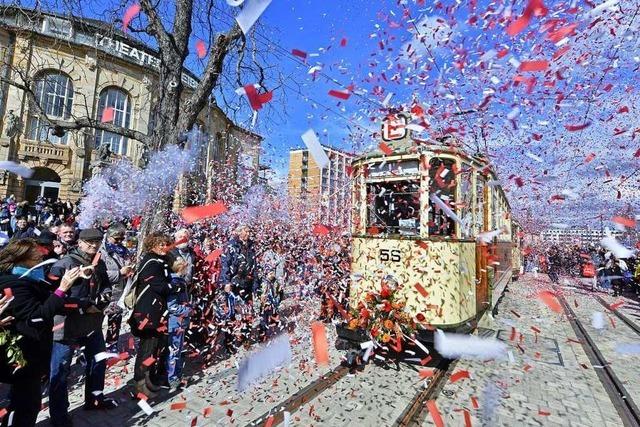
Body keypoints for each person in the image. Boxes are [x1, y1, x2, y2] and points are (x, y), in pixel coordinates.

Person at [0, 239, 81, 427]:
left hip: (27, 355)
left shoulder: (26, 279)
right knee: (26, 406)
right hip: (24, 354)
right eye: (36, 257)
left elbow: (46, 298)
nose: (41, 259)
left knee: (22, 402)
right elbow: (37, 317)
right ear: (22, 259)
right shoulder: (14, 284)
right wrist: (62, 288)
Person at [48, 229, 115, 427]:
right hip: (66, 325)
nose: (93, 246)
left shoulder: (98, 262)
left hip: (92, 323)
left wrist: (102, 301)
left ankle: (95, 400)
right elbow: (54, 297)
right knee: (61, 371)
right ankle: (59, 415)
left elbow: (105, 286)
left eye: (96, 242)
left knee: (98, 362)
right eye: (89, 242)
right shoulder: (64, 264)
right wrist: (84, 305)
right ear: (80, 242)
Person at [128, 232, 172, 397]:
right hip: (147, 314)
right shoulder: (152, 262)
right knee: (146, 350)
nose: (164, 247)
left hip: (155, 312)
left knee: (153, 349)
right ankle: (139, 388)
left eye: (166, 244)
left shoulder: (160, 260)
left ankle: (148, 381)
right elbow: (159, 286)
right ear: (152, 244)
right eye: (160, 244)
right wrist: (177, 287)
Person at [99, 224, 133, 351]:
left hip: (119, 293)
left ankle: (111, 347)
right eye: (116, 239)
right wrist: (119, 273)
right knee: (97, 324)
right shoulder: (101, 252)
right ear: (108, 236)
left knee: (115, 322)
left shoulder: (124, 251)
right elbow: (98, 274)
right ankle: (95, 350)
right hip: (104, 293)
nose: (119, 242)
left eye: (121, 239)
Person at [165, 257, 192, 391]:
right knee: (174, 351)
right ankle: (172, 378)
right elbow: (172, 307)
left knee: (178, 350)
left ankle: (176, 374)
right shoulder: (175, 283)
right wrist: (188, 310)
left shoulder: (179, 281)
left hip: (179, 324)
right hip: (175, 323)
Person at [220, 225, 257, 305]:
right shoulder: (231, 245)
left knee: (247, 311)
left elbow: (254, 266)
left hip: (247, 284)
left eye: (249, 232)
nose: (248, 234)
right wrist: (226, 282)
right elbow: (225, 264)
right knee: (234, 309)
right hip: (234, 283)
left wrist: (255, 284)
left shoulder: (251, 247)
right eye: (246, 231)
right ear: (240, 232)